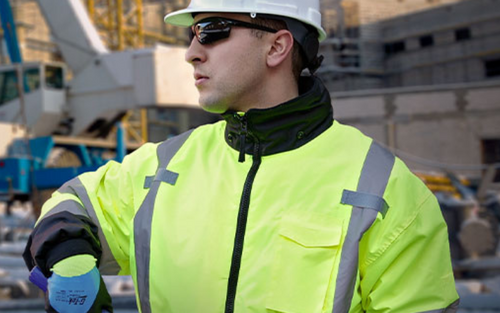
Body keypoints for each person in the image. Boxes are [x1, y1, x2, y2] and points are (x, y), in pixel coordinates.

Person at [24, 1, 460, 312]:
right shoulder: (162, 167)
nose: (192, 51)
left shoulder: (386, 190)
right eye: (190, 34)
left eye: (212, 30)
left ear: (277, 47)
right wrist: (71, 259)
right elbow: (71, 204)